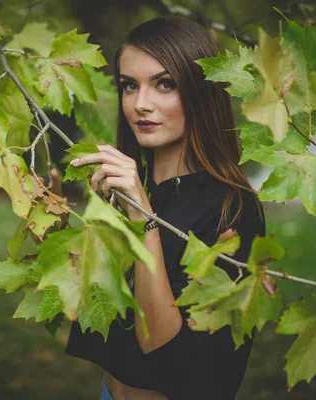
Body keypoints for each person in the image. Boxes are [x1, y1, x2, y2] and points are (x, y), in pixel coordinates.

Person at [62, 16, 265, 400]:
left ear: (201, 91)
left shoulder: (231, 209)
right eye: (128, 86)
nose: (140, 104)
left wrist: (143, 219)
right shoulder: (127, 187)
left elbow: (162, 348)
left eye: (164, 84)